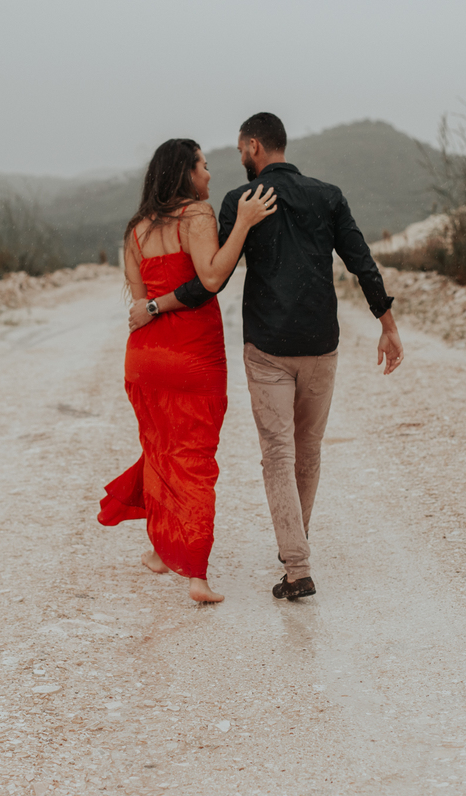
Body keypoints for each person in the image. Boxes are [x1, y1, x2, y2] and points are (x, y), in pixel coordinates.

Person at [129, 113, 404, 601]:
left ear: (254, 146)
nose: (237, 160)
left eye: (240, 150)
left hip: (267, 348)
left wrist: (155, 305)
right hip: (321, 344)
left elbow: (209, 282)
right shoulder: (328, 195)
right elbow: (360, 260)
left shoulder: (241, 201)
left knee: (278, 453)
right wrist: (387, 323)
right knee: (308, 449)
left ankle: (297, 564)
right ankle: (295, 545)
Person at [97, 138, 276, 604]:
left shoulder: (135, 229)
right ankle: (196, 575)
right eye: (203, 165)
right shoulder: (197, 214)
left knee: (161, 450)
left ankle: (161, 552)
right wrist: (244, 223)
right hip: (192, 354)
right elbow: (211, 278)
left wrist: (156, 306)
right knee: (193, 457)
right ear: (186, 173)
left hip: (144, 358)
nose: (209, 174)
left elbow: (141, 306)